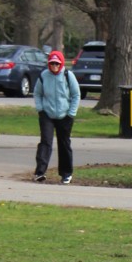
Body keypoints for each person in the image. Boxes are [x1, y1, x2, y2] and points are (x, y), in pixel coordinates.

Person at [32, 49, 80, 184]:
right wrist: (40, 109)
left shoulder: (68, 75)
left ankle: (66, 173)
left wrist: (71, 113)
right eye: (52, 63)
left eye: (57, 64)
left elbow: (76, 95)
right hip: (47, 114)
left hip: (65, 115)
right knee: (45, 142)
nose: (54, 66)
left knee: (64, 143)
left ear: (61, 64)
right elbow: (37, 93)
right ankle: (40, 172)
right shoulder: (43, 76)